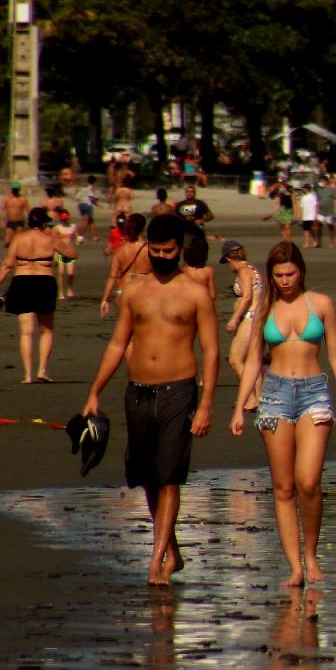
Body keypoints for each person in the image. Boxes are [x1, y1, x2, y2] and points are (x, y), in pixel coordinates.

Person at [78, 214, 219, 586]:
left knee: (169, 476)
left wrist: (205, 405)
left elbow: (212, 351)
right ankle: (171, 549)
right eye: (154, 251)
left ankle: (156, 562)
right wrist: (94, 391)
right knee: (147, 477)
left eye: (167, 251)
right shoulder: (135, 290)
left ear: (179, 249)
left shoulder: (195, 293)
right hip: (137, 390)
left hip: (179, 389)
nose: (160, 257)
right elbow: (117, 343)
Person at [228, 243, 336, 589]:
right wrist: (239, 407)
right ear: (270, 276)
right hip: (274, 396)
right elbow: (254, 360)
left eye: (291, 273)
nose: (285, 280)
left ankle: (312, 554)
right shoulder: (264, 308)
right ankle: (295, 567)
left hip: (314, 393)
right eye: (278, 275)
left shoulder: (321, 304)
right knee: (283, 487)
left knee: (308, 481)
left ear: (301, 271)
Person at [0, 206, 76, 383]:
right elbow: (72, 254)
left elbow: (7, 264)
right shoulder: (51, 239)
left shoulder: (19, 238)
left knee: (26, 332)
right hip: (44, 282)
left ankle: (28, 375)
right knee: (46, 330)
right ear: (44, 222)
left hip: (22, 282)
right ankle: (42, 370)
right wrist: (57, 254)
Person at [221, 240, 266, 410]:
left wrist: (234, 318)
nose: (227, 267)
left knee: (235, 359)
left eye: (226, 263)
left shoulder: (244, 271)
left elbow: (247, 297)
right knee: (252, 361)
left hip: (249, 318)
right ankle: (259, 397)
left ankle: (253, 398)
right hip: (258, 318)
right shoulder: (254, 269)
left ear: (229, 258)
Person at [100, 212, 150, 316]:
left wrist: (105, 300)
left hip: (122, 290)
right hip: (143, 290)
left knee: (123, 326)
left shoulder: (120, 250)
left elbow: (112, 277)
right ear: (143, 228)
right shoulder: (150, 250)